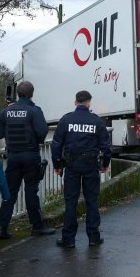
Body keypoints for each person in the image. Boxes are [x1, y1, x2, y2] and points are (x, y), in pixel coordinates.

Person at [51, 90, 111, 248]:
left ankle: (68, 239)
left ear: (75, 102)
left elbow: (56, 144)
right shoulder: (96, 121)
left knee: (71, 201)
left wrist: (57, 165)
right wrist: (105, 163)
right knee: (92, 200)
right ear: (89, 102)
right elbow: (106, 145)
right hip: (91, 165)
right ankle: (93, 237)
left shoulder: (66, 120)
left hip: (71, 165)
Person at [0, 81, 55, 238]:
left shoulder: (5, 112)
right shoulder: (34, 111)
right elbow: (42, 132)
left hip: (13, 157)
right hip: (30, 156)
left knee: (10, 192)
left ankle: (1, 228)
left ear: (18, 94)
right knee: (31, 191)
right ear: (32, 93)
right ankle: (37, 226)